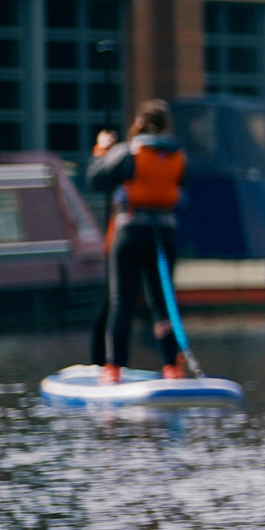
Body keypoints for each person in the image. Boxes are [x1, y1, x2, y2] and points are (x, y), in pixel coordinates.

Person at [86, 101, 189, 383]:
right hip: (163, 234)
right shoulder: (178, 154)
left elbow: (95, 179)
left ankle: (113, 368)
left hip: (130, 232)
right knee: (162, 302)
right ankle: (172, 367)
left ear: (139, 124)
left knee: (122, 301)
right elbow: (181, 187)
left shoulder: (128, 152)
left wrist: (101, 151)